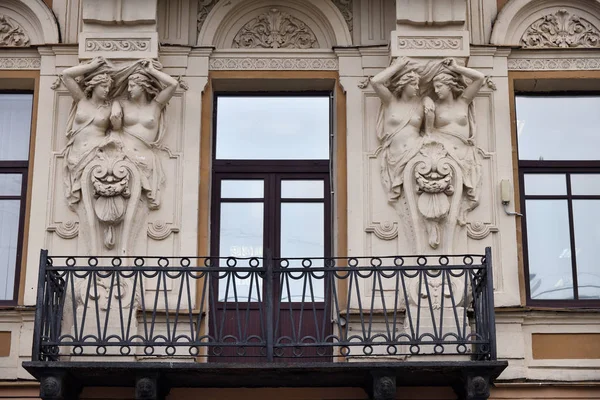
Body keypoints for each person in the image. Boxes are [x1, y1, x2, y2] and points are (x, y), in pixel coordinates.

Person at [111, 60, 178, 209]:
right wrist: (115, 111)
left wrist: (152, 71)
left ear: (143, 87)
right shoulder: (122, 104)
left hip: (146, 158)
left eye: (132, 86)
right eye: (128, 86)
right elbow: (115, 127)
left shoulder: (156, 105)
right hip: (124, 155)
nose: (129, 89)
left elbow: (173, 85)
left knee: (139, 205)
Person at [371, 56, 434, 202]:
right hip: (395, 156)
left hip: (416, 153)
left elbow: (429, 132)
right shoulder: (390, 102)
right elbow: (376, 82)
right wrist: (398, 66)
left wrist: (428, 100)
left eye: (418, 85)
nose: (417, 88)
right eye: (414, 84)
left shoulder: (420, 104)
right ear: (404, 85)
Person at [430, 58, 485, 223]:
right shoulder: (434, 106)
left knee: (469, 194)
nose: (436, 90)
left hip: (465, 154)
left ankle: (459, 215)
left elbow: (480, 78)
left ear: (449, 85)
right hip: (444, 155)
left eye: (439, 86)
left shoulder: (463, 101)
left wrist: (456, 68)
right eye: (434, 87)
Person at [61, 56, 115, 207]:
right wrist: (91, 66)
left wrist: (117, 108)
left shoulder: (110, 107)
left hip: (96, 153)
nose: (107, 90)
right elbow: (66, 75)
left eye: (109, 87)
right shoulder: (81, 100)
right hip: (76, 153)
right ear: (94, 86)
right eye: (103, 86)